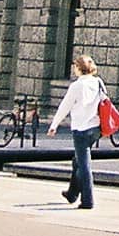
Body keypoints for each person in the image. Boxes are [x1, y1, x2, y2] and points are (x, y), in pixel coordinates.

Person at [47, 53, 105, 211]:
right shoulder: (97, 82)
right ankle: (72, 193)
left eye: (75, 67)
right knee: (78, 161)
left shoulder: (77, 86)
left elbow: (65, 106)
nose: (74, 69)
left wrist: (54, 125)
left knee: (84, 165)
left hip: (81, 129)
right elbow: (104, 102)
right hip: (95, 128)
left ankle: (88, 200)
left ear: (79, 68)